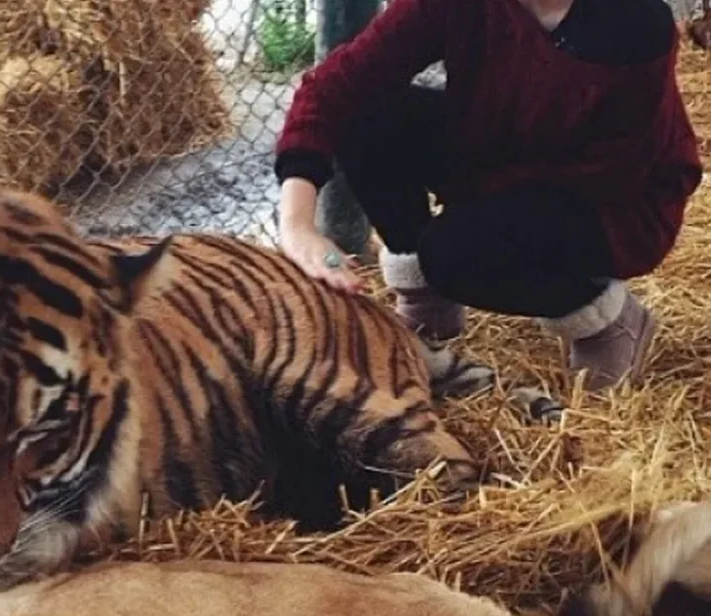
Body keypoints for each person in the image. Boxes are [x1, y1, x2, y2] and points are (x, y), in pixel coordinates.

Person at [273, 0, 703, 392]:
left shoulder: (635, 21)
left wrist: (470, 216)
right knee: (369, 117)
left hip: (617, 205)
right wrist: (297, 224)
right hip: (503, 150)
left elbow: (613, 172)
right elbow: (334, 88)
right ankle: (429, 305)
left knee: (453, 252)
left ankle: (609, 320)